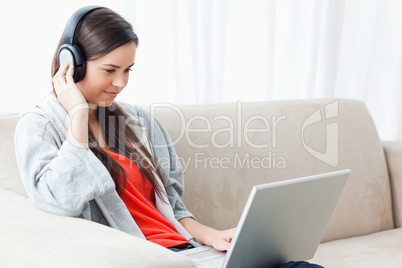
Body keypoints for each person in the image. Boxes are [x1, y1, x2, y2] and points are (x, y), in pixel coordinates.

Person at [14, 6, 322, 267]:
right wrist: (78, 116)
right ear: (72, 63)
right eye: (110, 70)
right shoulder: (40, 127)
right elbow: (57, 200)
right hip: (147, 259)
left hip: (189, 254)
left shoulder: (140, 122)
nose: (121, 83)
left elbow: (172, 209)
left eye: (128, 70)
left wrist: (213, 236)